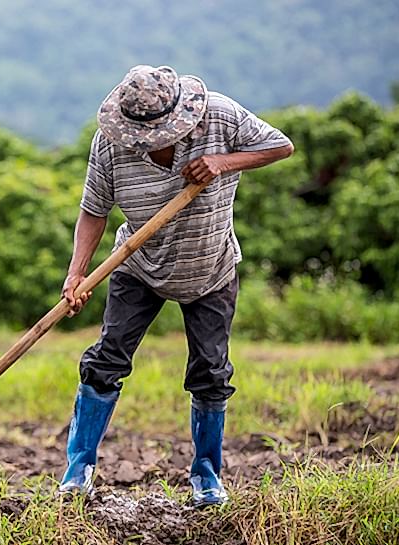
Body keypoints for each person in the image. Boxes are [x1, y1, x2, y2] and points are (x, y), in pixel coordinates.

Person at [59, 64, 294, 506]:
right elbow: (94, 209)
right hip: (138, 264)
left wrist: (223, 162)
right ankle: (79, 469)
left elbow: (280, 146)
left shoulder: (221, 116)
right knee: (106, 359)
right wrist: (77, 273)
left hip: (210, 267)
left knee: (210, 371)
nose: (147, 144)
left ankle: (207, 477)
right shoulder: (111, 143)